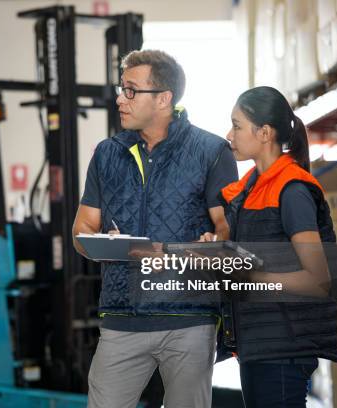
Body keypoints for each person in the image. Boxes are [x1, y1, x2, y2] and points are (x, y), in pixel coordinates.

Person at [72, 49, 238, 408]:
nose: (120, 98)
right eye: (121, 88)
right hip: (122, 318)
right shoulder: (107, 153)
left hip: (189, 319)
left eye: (131, 90)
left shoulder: (211, 151)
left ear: (164, 98)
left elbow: (227, 228)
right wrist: (100, 243)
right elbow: (83, 227)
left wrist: (210, 244)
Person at [199, 86, 337, 408]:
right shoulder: (251, 189)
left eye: (236, 125)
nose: (228, 134)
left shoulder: (292, 191)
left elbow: (317, 280)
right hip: (260, 341)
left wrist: (251, 280)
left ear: (264, 133)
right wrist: (216, 250)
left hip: (284, 346)